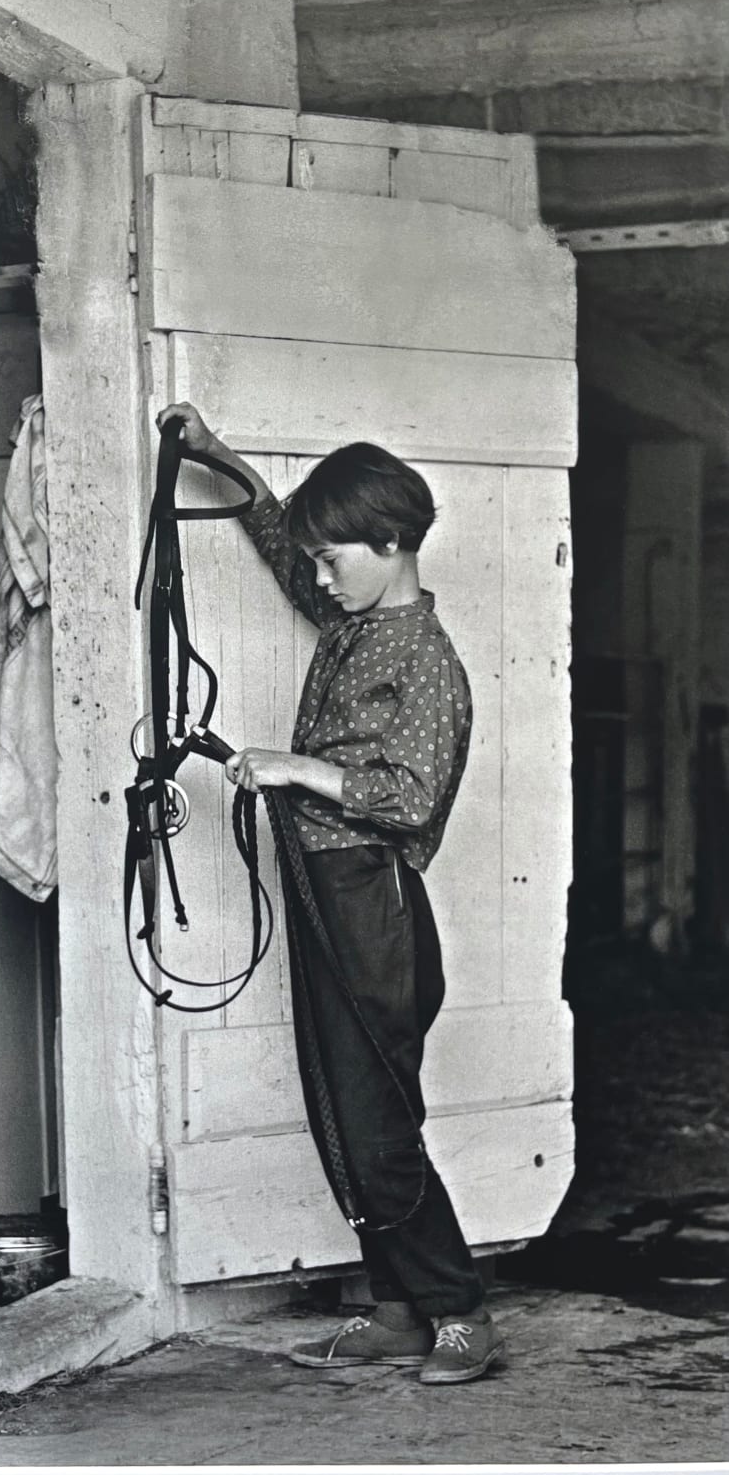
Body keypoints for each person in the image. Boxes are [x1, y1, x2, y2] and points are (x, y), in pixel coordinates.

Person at [157, 401, 506, 1386]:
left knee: (380, 1119)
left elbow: (410, 796)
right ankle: (396, 1306)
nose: (316, 577)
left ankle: (460, 1311)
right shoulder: (354, 623)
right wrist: (216, 455)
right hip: (321, 887)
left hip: (373, 902)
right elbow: (282, 541)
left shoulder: (426, 662)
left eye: (333, 559)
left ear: (391, 544)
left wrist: (299, 769)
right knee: (341, 1114)